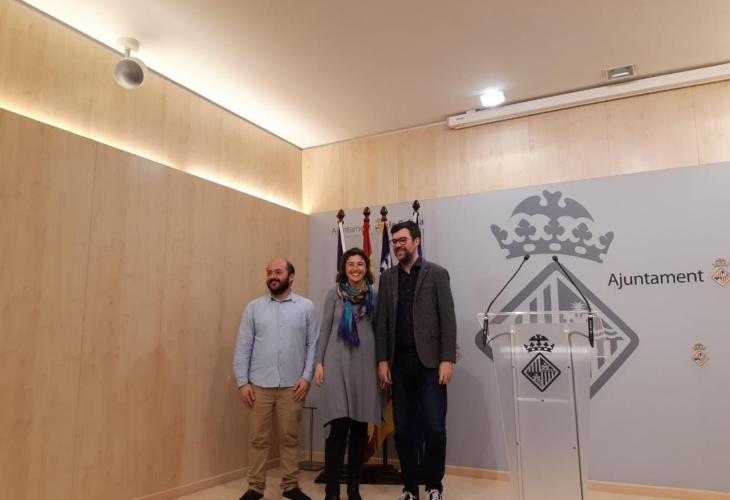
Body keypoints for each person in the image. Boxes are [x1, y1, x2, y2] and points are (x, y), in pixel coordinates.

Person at [375, 221, 457, 500]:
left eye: (402, 240)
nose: (398, 245)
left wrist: (447, 359)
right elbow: (382, 322)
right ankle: (410, 488)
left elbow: (448, 320)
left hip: (431, 365)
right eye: (394, 241)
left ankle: (434, 486)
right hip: (399, 365)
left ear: (416, 241)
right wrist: (382, 360)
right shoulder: (387, 278)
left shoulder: (437, 274)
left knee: (435, 429)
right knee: (403, 431)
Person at [233, 258, 320, 500]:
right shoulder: (254, 308)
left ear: (290, 277)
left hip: (293, 386)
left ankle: (291, 486)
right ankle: (255, 487)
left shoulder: (306, 307)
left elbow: (312, 345)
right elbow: (243, 347)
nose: (272, 276)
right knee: (258, 439)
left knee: (290, 439)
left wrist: (306, 377)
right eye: (269, 272)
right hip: (258, 386)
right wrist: (242, 382)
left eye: (278, 272)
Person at [314, 247, 384, 500]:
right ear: (343, 268)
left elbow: (380, 331)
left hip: (365, 365)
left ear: (366, 268)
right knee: (338, 426)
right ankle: (332, 491)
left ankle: (353, 488)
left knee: (359, 428)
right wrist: (318, 363)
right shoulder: (334, 294)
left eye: (360, 264)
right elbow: (325, 329)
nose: (355, 268)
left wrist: (381, 364)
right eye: (350, 264)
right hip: (335, 363)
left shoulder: (374, 295)